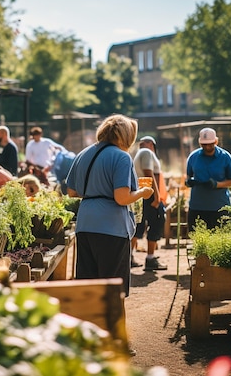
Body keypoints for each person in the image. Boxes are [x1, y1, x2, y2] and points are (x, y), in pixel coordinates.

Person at [66, 114, 154, 297]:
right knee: (114, 290)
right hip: (111, 227)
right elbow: (121, 198)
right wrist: (142, 193)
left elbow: (71, 192)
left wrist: (95, 188)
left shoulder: (84, 153)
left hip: (85, 224)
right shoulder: (121, 157)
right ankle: (115, 326)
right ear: (126, 136)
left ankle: (89, 325)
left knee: (89, 288)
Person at [185, 128, 231, 230]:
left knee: (221, 239)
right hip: (197, 206)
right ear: (199, 143)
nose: (207, 147)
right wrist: (189, 182)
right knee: (198, 238)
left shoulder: (225, 157)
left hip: (219, 206)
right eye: (204, 145)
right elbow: (188, 176)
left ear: (216, 141)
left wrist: (217, 184)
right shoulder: (193, 157)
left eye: (210, 144)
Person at [133, 136, 167, 271]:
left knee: (138, 225)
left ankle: (129, 257)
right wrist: (156, 196)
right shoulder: (146, 153)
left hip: (141, 194)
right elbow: (148, 173)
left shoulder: (140, 154)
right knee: (156, 222)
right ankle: (150, 258)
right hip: (148, 194)